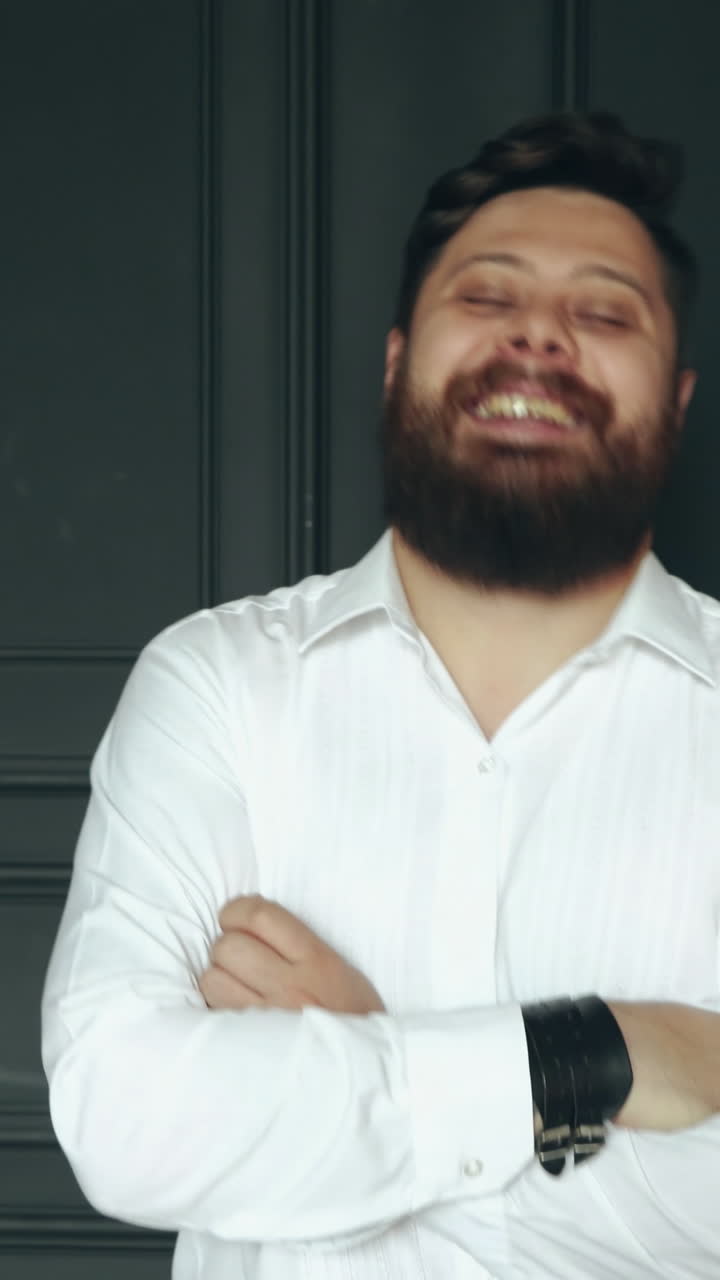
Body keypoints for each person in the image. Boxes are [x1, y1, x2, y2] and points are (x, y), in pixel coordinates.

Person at [41, 112, 720, 1279]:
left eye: (605, 312)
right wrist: (598, 1054)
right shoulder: (217, 684)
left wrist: (370, 1057)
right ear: (399, 361)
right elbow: (127, 1115)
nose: (541, 338)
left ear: (680, 399)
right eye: (486, 297)